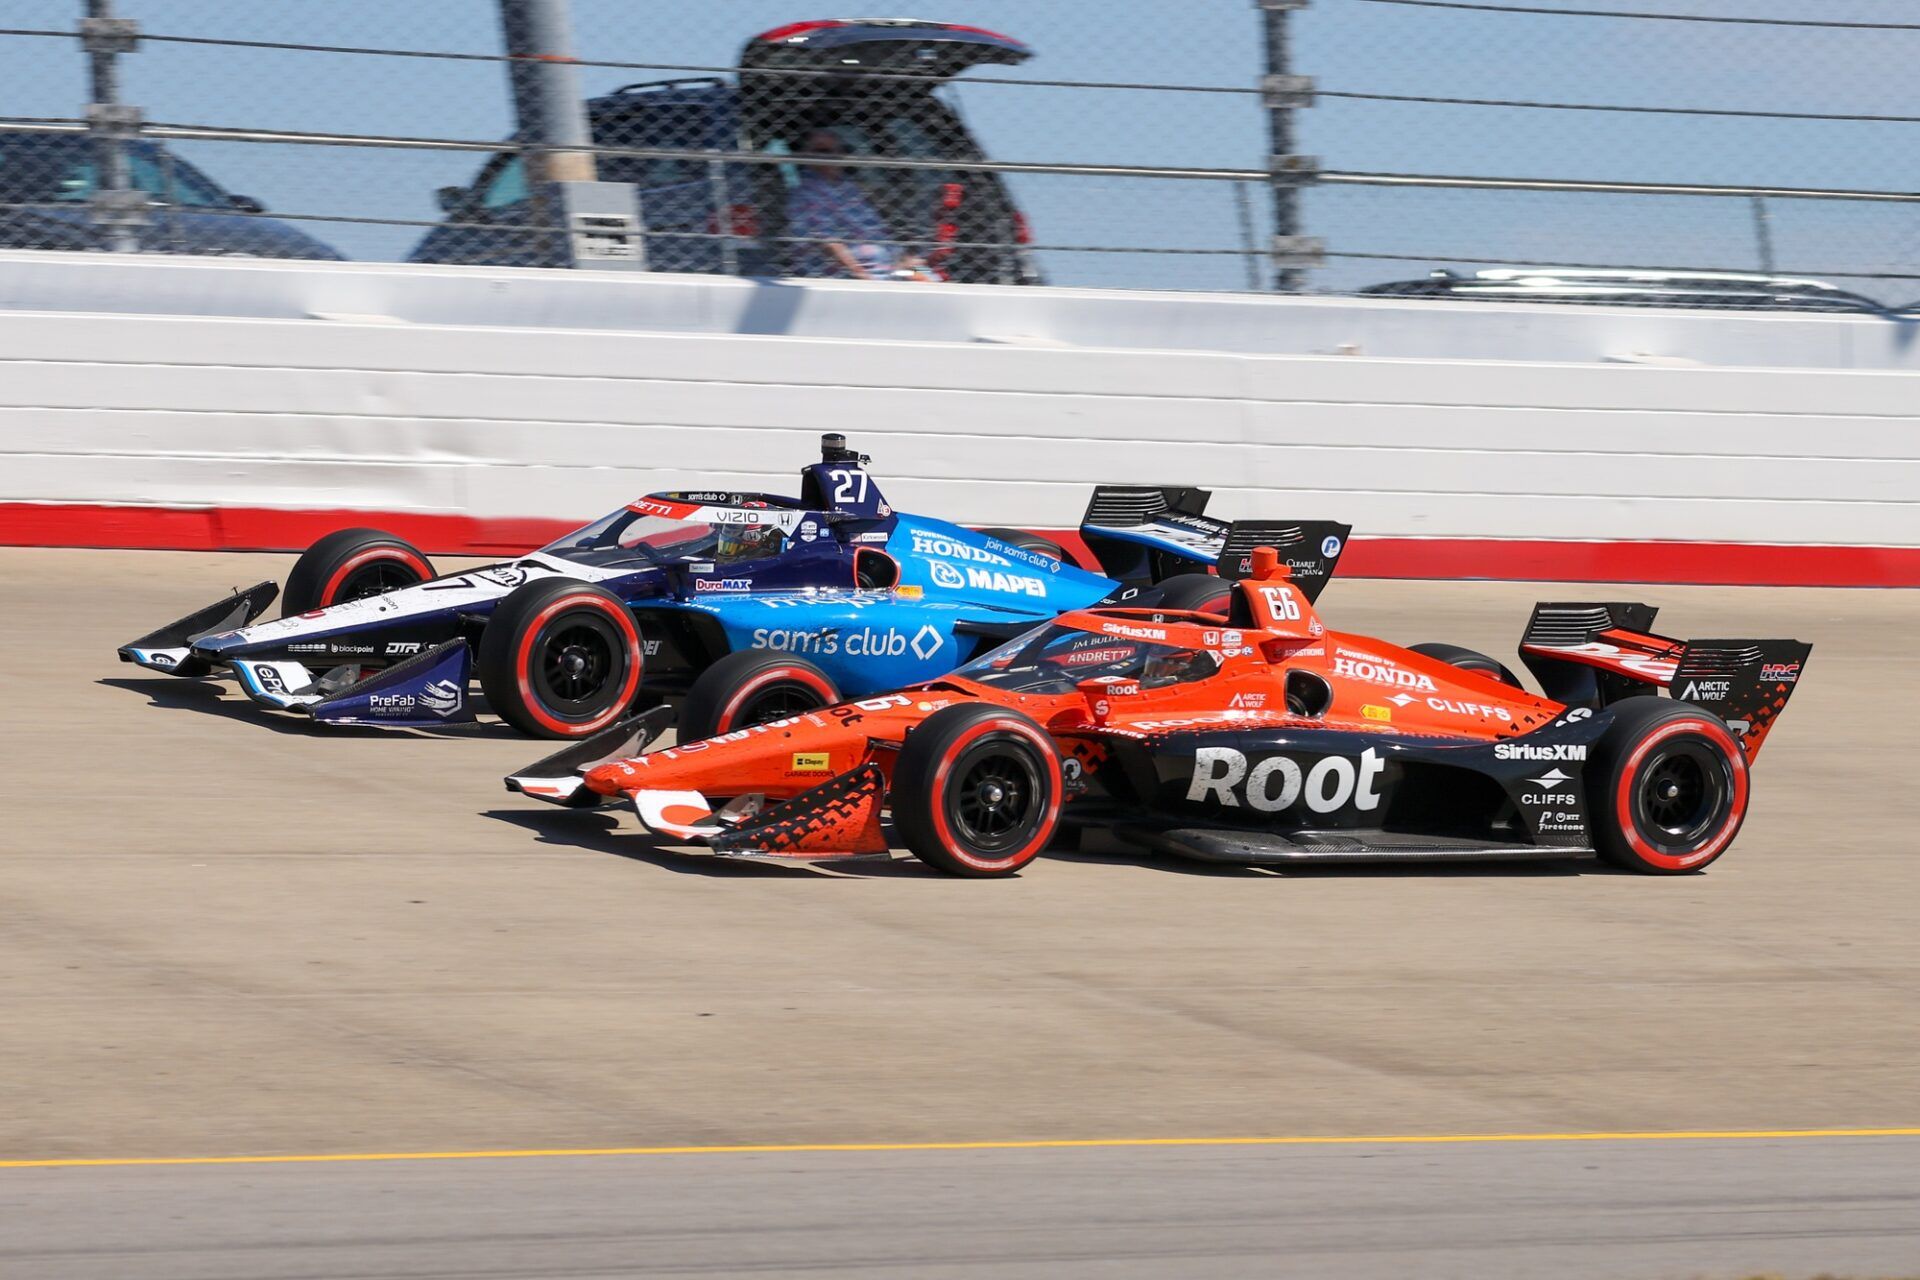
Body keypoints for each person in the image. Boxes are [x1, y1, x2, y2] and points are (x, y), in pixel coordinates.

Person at [785, 128, 932, 281]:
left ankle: (913, 274)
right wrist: (860, 273)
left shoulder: (849, 187)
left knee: (928, 279)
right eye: (821, 150)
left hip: (890, 265)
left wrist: (904, 259)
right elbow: (827, 241)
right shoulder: (806, 193)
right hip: (853, 272)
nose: (828, 155)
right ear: (805, 154)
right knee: (919, 279)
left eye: (834, 150)